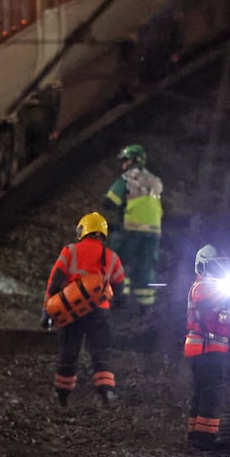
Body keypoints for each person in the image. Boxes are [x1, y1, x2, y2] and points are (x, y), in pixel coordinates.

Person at [43, 211, 125, 406]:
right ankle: (106, 392)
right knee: (100, 351)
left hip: (71, 312)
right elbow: (119, 286)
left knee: (69, 351)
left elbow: (54, 282)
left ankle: (61, 395)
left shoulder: (70, 251)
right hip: (99, 312)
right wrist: (112, 303)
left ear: (83, 230)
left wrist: (47, 309)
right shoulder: (111, 257)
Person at [183, 245, 230, 449]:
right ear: (203, 266)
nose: (219, 270)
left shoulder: (212, 286)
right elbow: (205, 303)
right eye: (215, 266)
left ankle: (195, 433)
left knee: (202, 390)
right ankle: (205, 437)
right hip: (205, 347)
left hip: (207, 347)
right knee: (211, 391)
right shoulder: (202, 286)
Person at [104, 144, 163, 311]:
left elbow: (111, 201)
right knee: (145, 265)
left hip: (132, 227)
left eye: (126, 160)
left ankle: (119, 297)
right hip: (154, 230)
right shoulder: (154, 180)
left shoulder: (128, 178)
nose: (124, 164)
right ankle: (146, 304)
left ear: (134, 160)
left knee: (120, 261)